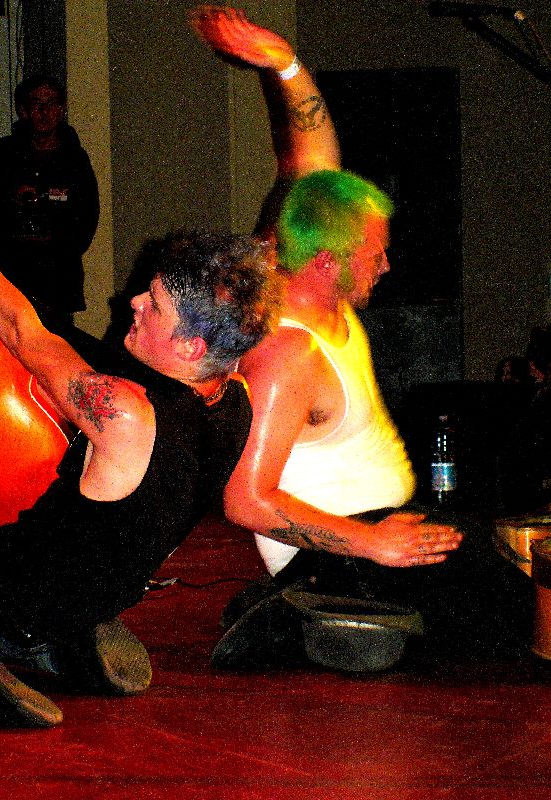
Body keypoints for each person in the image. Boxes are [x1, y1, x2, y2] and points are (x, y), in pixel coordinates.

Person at [192, 7, 532, 667]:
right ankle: (297, 617)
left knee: (515, 571)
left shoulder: (308, 264)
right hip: (340, 557)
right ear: (327, 263)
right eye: (374, 253)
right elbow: (245, 499)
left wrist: (284, 62)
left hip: (375, 534)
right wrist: (369, 543)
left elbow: (314, 159)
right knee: (519, 621)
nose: (386, 264)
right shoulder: (286, 350)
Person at [0, 180, 281, 727]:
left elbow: (24, 333)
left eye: (154, 305)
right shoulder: (236, 404)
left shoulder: (124, 413)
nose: (133, 302)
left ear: (190, 346)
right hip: (81, 602)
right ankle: (69, 637)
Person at [0, 74, 100, 331]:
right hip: (9, 274)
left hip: (57, 279)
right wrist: (12, 200)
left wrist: (59, 240)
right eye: (36, 103)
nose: (44, 111)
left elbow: (88, 215)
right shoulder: (1, 155)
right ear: (23, 110)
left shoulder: (75, 159)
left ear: (62, 109)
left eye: (51, 103)